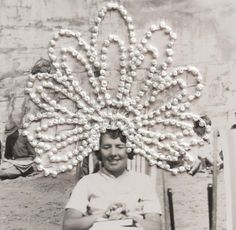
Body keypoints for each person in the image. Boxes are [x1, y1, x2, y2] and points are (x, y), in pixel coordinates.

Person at [63, 129, 162, 230]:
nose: (113, 153)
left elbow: (155, 226)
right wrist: (103, 215)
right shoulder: (86, 182)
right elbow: (68, 225)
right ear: (99, 151)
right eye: (106, 147)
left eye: (119, 147)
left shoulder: (143, 181)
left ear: (129, 150)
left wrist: (129, 218)